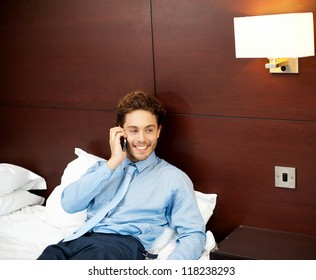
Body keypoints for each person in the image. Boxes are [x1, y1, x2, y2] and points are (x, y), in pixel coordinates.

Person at [37, 90, 206, 260]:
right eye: (133, 130)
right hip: (75, 242)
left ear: (158, 132)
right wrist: (113, 162)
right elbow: (69, 204)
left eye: (149, 130)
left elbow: (194, 234)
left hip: (122, 248)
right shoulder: (103, 169)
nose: (142, 139)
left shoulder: (173, 178)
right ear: (120, 132)